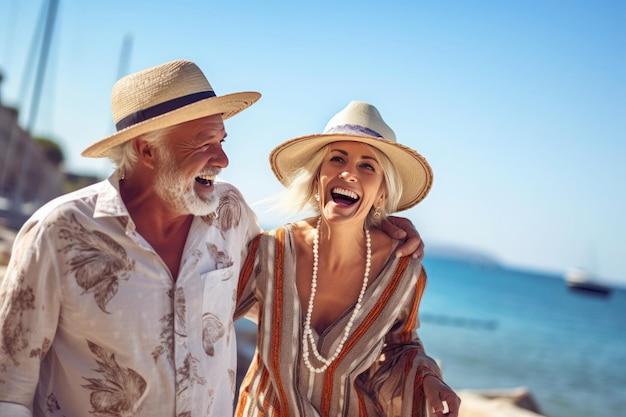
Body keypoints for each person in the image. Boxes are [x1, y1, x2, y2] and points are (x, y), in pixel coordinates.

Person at [0, 61, 423, 416]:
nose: (223, 159)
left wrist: (372, 228)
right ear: (148, 150)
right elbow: (10, 386)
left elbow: (291, 300)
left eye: (222, 141)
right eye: (205, 143)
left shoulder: (231, 216)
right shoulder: (57, 233)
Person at [235, 101, 460, 417]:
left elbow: (398, 345)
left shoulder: (402, 270)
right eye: (337, 159)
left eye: (367, 166)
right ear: (318, 178)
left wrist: (429, 380)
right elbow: (206, 312)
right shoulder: (268, 251)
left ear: (382, 193)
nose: (348, 173)